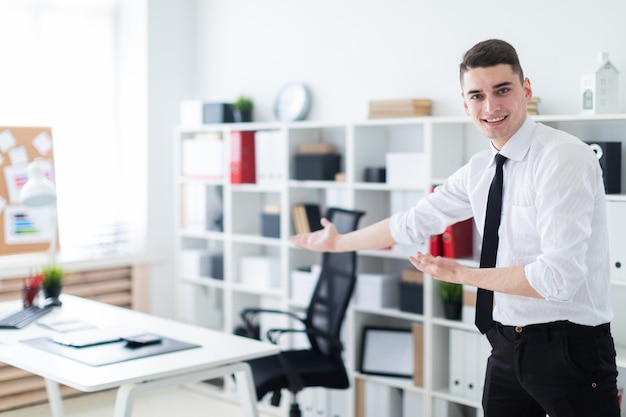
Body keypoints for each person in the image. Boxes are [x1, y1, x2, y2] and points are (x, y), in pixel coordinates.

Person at [290, 39, 621, 417]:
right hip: (506, 342)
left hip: (569, 347)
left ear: (526, 89)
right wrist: (339, 242)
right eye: (477, 96)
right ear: (465, 104)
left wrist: (464, 275)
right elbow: (413, 221)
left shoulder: (562, 157)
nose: (490, 106)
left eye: (502, 90)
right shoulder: (481, 169)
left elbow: (557, 277)